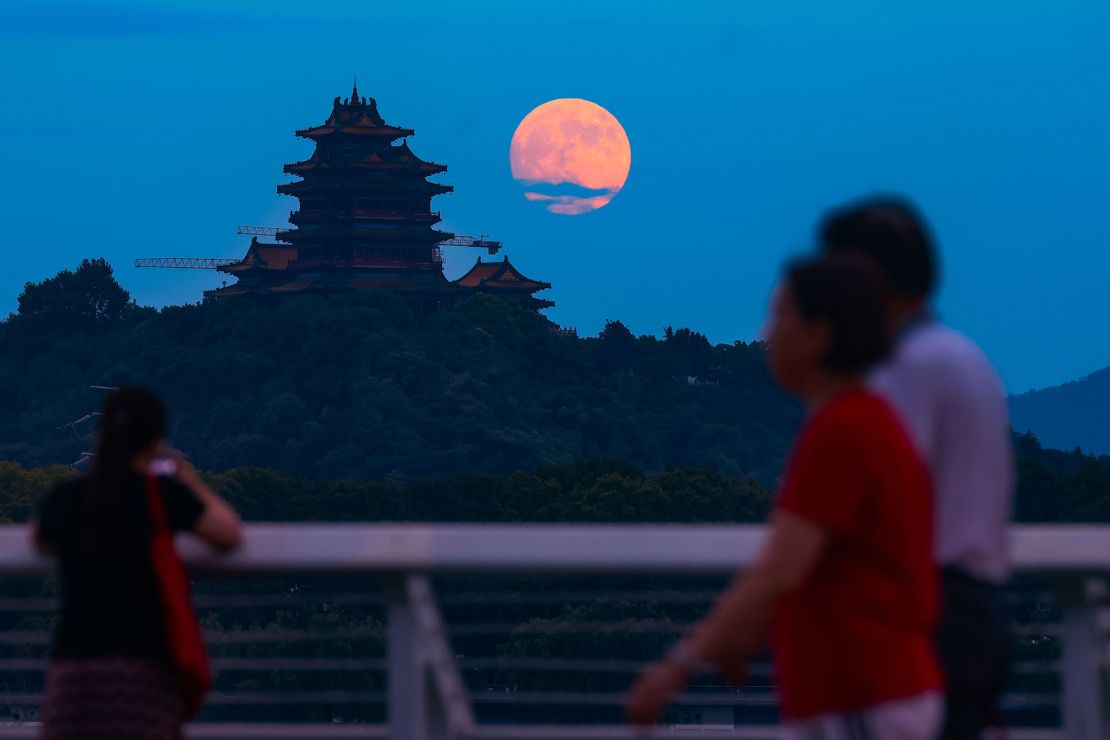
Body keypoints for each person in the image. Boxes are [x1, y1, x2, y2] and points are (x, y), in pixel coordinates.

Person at [627, 257, 943, 739]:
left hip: (862, 696)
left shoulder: (840, 433)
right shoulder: (869, 420)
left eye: (779, 316)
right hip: (873, 692)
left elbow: (778, 572)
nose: (766, 331)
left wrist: (678, 667)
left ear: (818, 334)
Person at [820, 196, 1014, 740]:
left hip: (925, 618)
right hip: (978, 608)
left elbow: (875, 503)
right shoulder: (965, 359)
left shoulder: (906, 371)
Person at [32, 386, 243, 740]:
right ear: (155, 441)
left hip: (75, 671)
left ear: (101, 436)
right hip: (144, 669)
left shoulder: (67, 497)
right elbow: (229, 533)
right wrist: (187, 479)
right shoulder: (159, 494)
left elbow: (39, 540)